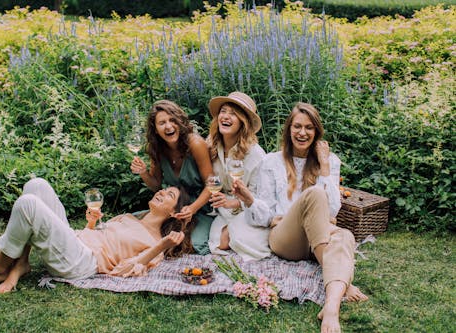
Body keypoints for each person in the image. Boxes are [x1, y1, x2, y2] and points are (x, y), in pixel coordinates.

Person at [232, 102, 368, 333]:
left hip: (318, 238)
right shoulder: (272, 162)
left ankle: (331, 307)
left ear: (316, 132)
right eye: (297, 126)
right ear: (288, 130)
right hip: (286, 239)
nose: (302, 133)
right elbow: (264, 215)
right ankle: (343, 280)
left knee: (345, 235)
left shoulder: (330, 161)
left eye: (309, 128)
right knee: (315, 194)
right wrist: (249, 200)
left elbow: (333, 210)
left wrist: (324, 167)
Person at [0, 177, 189, 293]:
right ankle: (21, 264)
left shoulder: (156, 243)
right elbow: (96, 235)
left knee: (28, 204)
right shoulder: (128, 217)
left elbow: (122, 271)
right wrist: (91, 223)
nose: (161, 192)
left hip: (82, 262)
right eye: (163, 189)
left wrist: (161, 246)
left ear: (173, 212)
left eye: (169, 194)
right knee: (37, 186)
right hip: (75, 241)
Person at [130, 100, 214, 255]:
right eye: (162, 123)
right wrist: (143, 172)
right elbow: (156, 185)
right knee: (134, 224)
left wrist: (193, 208)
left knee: (195, 244)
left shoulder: (195, 144)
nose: (168, 126)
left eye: (172, 120)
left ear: (180, 122)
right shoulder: (156, 148)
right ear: (155, 129)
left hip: (200, 208)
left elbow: (212, 184)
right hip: (172, 208)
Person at [206, 91, 270, 261]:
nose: (226, 117)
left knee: (238, 240)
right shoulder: (212, 144)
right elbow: (207, 175)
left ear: (243, 122)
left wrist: (232, 202)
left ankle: (244, 233)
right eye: (223, 111)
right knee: (217, 243)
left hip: (246, 210)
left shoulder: (256, 155)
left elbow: (260, 198)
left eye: (234, 114)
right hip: (223, 210)